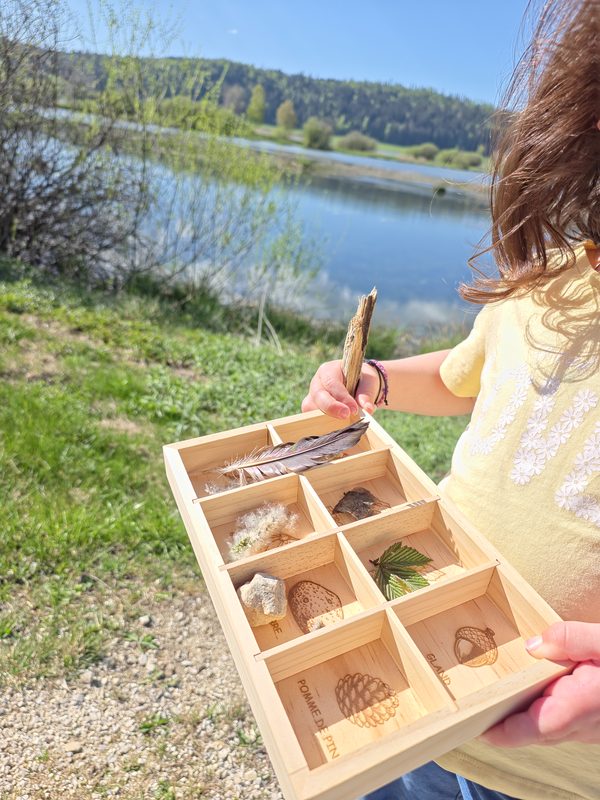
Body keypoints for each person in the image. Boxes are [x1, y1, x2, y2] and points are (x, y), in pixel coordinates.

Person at [302, 1, 600, 798]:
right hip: (418, 694)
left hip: (560, 773)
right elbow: (468, 377)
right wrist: (379, 381)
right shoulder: (554, 276)